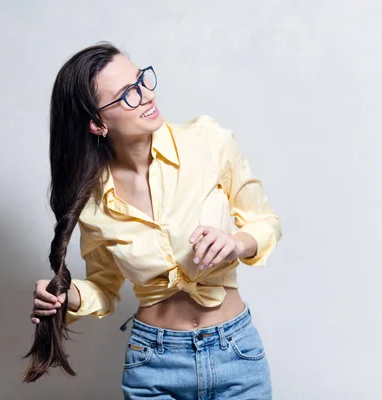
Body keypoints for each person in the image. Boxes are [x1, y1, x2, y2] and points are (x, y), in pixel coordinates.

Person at [23, 42, 282, 399]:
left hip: (235, 352)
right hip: (154, 363)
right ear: (97, 123)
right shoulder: (94, 202)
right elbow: (105, 287)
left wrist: (236, 243)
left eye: (141, 80)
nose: (146, 95)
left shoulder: (207, 140)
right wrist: (67, 297)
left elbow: (265, 221)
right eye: (127, 94)